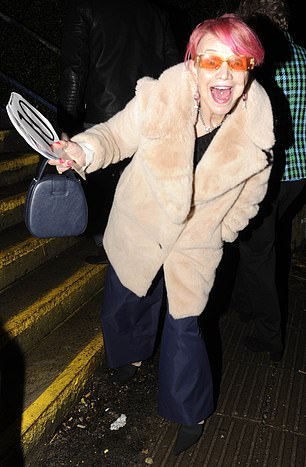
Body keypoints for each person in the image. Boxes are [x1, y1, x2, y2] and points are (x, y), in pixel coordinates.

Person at [49, 14, 274, 455]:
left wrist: (221, 230)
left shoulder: (258, 134)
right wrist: (82, 149)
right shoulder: (159, 98)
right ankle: (129, 355)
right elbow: (114, 135)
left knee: (186, 328)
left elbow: (251, 199)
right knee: (128, 294)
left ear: (249, 70)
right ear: (192, 64)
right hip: (140, 222)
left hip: (196, 244)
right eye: (212, 60)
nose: (224, 73)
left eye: (238, 61)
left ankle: (188, 409)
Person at [57, 0, 180, 263]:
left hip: (105, 117)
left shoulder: (86, 7)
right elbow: (174, 68)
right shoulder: (157, 11)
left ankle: (114, 248)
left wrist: (66, 124)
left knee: (103, 188)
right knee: (138, 186)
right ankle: (135, 249)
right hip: (149, 113)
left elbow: (74, 70)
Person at [233, 0, 306, 361]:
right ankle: (246, 304)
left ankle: (269, 335)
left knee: (256, 249)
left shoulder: (258, 64)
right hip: (301, 175)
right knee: (262, 239)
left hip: (268, 173)